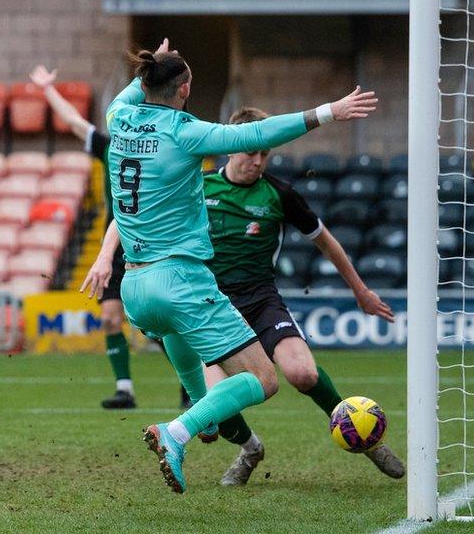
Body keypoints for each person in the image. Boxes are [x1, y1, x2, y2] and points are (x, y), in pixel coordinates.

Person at [81, 39, 377, 493]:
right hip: (180, 278)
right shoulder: (185, 131)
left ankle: (230, 435)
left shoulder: (118, 117)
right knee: (263, 379)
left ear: (143, 83)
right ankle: (177, 433)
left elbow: (134, 90)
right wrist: (328, 112)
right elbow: (256, 135)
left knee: (195, 373)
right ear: (184, 90)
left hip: (135, 286)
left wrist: (156, 65)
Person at [200, 106, 403, 485]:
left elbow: (326, 243)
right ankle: (250, 451)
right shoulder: (200, 187)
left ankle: (366, 439)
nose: (258, 161)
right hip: (213, 308)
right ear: (231, 147)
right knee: (214, 404)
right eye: (251, 152)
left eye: (265, 153)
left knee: (302, 373)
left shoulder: (279, 194)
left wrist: (360, 290)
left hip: (262, 300)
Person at [30, 63, 190, 410]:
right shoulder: (110, 144)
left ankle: (187, 379)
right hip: (112, 242)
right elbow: (73, 122)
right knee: (110, 317)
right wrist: (47, 89)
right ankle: (125, 389)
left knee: (155, 322)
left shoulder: (154, 145)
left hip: (148, 241)